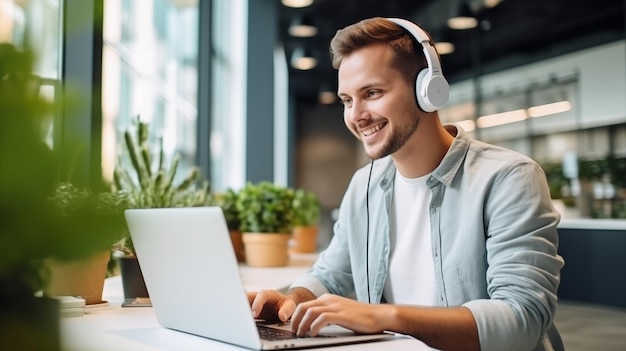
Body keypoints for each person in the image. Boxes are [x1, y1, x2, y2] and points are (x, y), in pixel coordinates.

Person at [248, 17, 564, 351]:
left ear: (427, 90)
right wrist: (290, 301)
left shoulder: (508, 178)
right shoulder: (363, 187)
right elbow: (331, 275)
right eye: (347, 100)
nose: (356, 116)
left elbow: (522, 318)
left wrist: (383, 316)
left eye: (372, 93)